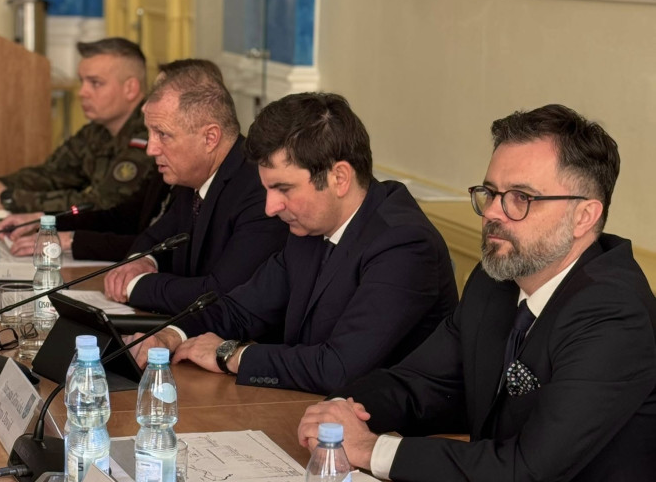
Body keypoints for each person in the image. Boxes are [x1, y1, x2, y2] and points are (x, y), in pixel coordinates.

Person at [298, 104, 656, 482]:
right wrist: (342, 414)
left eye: (520, 198)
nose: (492, 213)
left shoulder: (614, 315)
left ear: (584, 216)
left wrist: (370, 449)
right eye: (490, 192)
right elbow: (420, 385)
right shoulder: (495, 282)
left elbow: (525, 472)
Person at [131, 92, 458, 395]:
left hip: (388, 430)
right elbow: (239, 310)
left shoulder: (404, 244)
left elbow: (338, 368)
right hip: (311, 410)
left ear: (339, 178)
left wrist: (230, 354)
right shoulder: (310, 228)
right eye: (267, 189)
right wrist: (171, 334)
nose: (270, 208)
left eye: (283, 189)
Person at [101, 60, 288, 312]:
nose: (151, 149)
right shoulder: (191, 176)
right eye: (150, 134)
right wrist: (142, 261)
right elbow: (154, 237)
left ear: (210, 138)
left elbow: (220, 294)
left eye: (162, 134)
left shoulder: (259, 190)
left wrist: (133, 286)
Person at [0, 60, 226, 263]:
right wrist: (46, 221)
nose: (146, 105)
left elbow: (164, 249)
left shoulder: (202, 177)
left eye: (158, 95)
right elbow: (122, 216)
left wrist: (71, 240)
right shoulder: (170, 163)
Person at [0, 37, 155, 214]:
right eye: (82, 81)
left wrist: (9, 198)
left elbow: (104, 204)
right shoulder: (96, 132)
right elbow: (51, 175)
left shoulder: (151, 133)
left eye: (95, 83)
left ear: (130, 88)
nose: (82, 93)